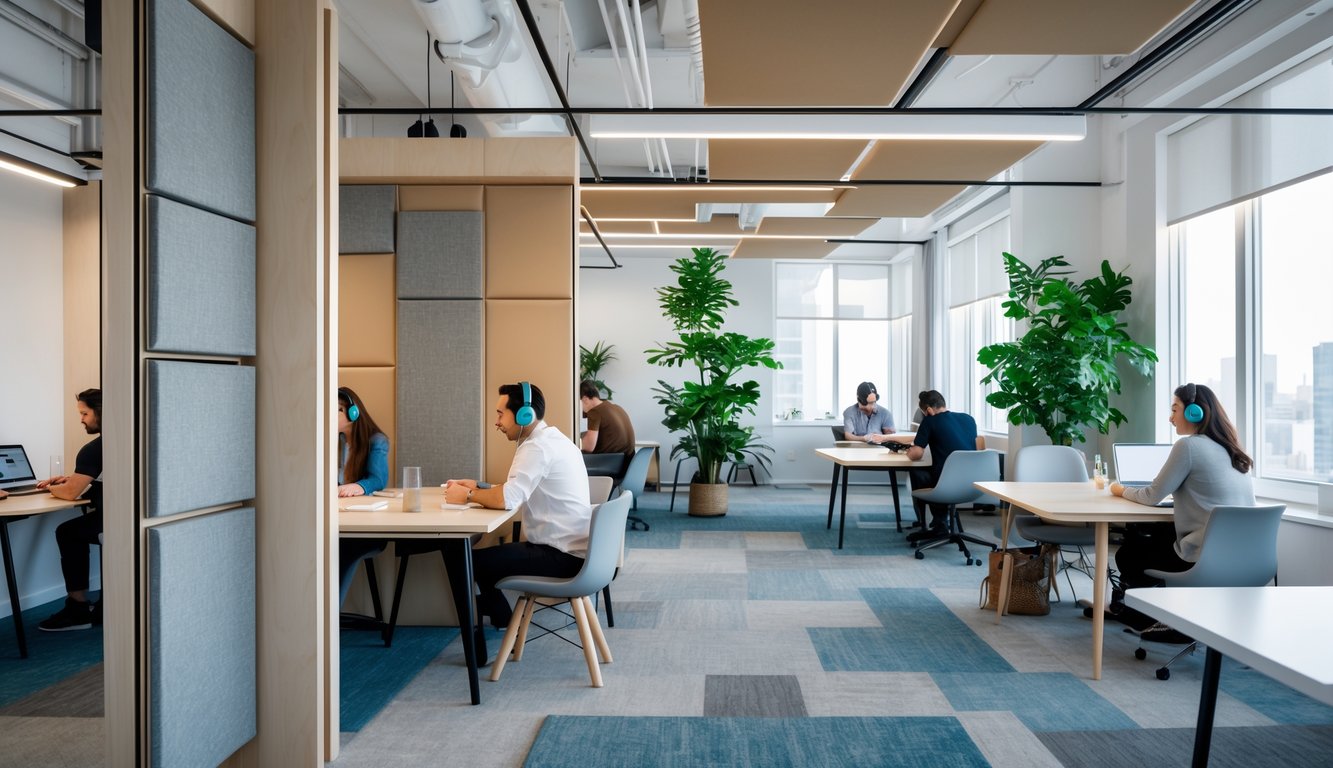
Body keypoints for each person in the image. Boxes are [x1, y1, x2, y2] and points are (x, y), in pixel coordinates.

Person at [1107, 383, 1255, 639]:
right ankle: (1168, 613)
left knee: (1129, 554)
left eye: (1175, 409)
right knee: (1159, 537)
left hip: (1202, 555)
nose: (1170, 417)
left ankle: (1157, 620)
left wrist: (1119, 489)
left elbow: (1152, 495)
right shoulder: (1231, 449)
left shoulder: (1188, 446)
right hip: (1246, 557)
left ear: (1194, 413)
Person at [444, 382, 590, 628]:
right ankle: (501, 615)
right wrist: (480, 487)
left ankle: (487, 626)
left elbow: (508, 499)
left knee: (465, 560)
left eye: (501, 414)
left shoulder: (536, 447)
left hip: (561, 556)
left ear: (524, 414)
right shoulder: (553, 439)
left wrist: (467, 495)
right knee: (476, 560)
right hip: (576, 551)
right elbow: (519, 490)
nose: (497, 422)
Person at [37, 388, 104, 632]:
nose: (82, 419)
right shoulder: (125, 439)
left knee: (66, 532)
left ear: (100, 412)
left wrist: (50, 489)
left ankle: (77, 609)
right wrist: (70, 479)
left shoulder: (95, 448)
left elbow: (69, 494)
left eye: (85, 413)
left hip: (114, 523)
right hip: (138, 519)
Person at [895, 390, 977, 542]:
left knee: (917, 472)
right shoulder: (968, 419)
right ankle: (943, 522)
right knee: (935, 471)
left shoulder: (930, 421)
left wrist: (908, 450)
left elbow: (916, 454)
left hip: (947, 484)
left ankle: (938, 524)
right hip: (973, 484)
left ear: (929, 410)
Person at [336, 386, 391, 605]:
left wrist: (358, 487)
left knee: (342, 549)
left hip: (364, 527)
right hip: (337, 519)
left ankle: (330, 614)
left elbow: (378, 480)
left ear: (353, 413)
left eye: (337, 409)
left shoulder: (376, 441)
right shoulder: (331, 442)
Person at [578, 380, 635, 458]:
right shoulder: (616, 407)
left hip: (611, 462)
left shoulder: (595, 412)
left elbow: (589, 447)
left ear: (585, 399)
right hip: (626, 460)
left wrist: (573, 443)